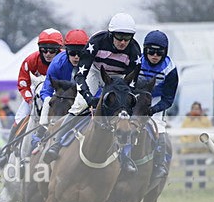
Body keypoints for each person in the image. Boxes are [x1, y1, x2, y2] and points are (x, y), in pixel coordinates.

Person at [43, 13, 142, 173]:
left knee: (124, 114)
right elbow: (80, 75)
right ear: (111, 34)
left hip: (119, 79)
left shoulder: (135, 52)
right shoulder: (96, 42)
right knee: (79, 105)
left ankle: (126, 156)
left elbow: (130, 84)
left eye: (127, 38)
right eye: (119, 37)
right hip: (96, 71)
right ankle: (57, 143)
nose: (123, 42)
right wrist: (89, 98)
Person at [0, 28, 63, 165]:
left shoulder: (64, 60)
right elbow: (23, 82)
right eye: (44, 49)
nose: (48, 54)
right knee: (19, 118)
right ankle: (6, 153)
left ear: (59, 49)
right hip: (35, 94)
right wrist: (30, 99)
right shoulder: (30, 60)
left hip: (57, 95)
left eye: (52, 50)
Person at [138, 30, 179, 181]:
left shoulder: (170, 70)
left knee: (159, 128)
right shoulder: (136, 61)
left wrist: (153, 110)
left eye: (159, 53)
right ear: (145, 50)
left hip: (156, 99)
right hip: (137, 96)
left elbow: (168, 99)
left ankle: (160, 164)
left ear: (165, 52)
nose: (155, 56)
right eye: (151, 52)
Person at [180, 102, 212, 189]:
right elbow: (182, 134)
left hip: (201, 150)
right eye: (194, 108)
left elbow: (209, 132)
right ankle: (188, 187)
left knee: (202, 169)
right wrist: (187, 143)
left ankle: (202, 186)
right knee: (189, 170)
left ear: (201, 110)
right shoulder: (187, 120)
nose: (195, 110)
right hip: (189, 150)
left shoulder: (205, 120)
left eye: (197, 108)